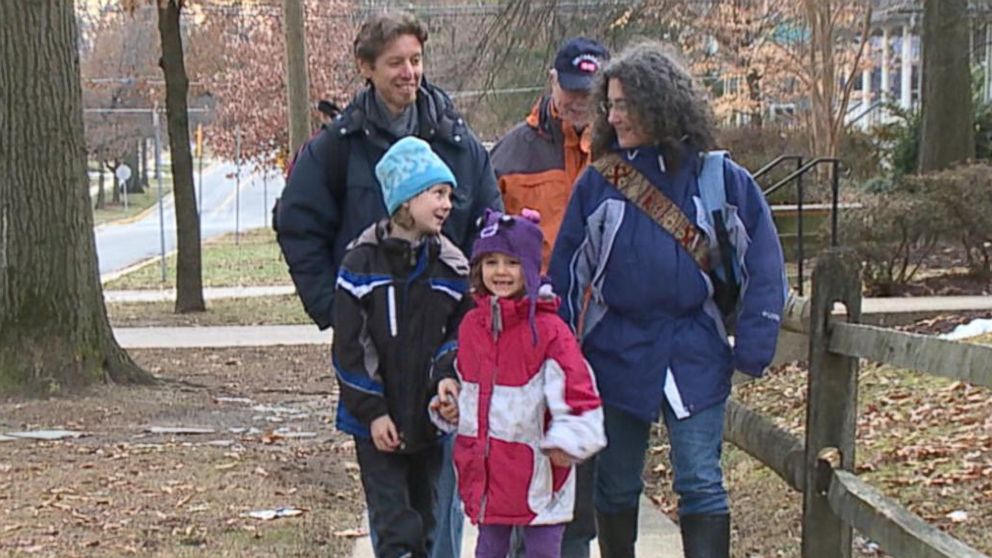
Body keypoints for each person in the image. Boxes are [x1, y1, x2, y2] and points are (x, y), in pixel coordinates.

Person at [276, 12, 503, 558]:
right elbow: (296, 221)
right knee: (390, 504)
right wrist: (333, 306)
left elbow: (490, 222)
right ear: (367, 68)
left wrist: (475, 308)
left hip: (443, 344)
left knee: (439, 495)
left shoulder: (456, 139)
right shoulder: (340, 145)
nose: (410, 73)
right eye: (396, 62)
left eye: (416, 61)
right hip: (375, 350)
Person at [549, 42, 787, 558]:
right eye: (610, 104)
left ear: (661, 103)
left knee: (701, 480)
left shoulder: (720, 179)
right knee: (614, 485)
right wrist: (559, 354)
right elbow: (567, 272)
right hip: (616, 350)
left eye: (627, 104)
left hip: (693, 347)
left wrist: (755, 340)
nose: (615, 115)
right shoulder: (601, 183)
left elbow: (764, 263)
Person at [431, 209, 606, 558]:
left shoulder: (550, 332)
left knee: (542, 551)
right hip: (489, 470)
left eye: (511, 263)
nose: (500, 272)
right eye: (491, 261)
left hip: (539, 473)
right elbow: (470, 388)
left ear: (529, 267)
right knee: (489, 548)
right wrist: (452, 406)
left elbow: (579, 394)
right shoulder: (471, 327)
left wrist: (568, 441)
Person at [334, 136, 471, 558]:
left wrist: (448, 380)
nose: (447, 204)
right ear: (406, 200)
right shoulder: (361, 263)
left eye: (449, 194)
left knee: (428, 526)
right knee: (396, 530)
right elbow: (350, 348)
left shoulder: (452, 266)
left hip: (427, 422)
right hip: (376, 425)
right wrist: (373, 413)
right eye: (437, 193)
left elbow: (458, 335)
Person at [490, 37, 609, 269]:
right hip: (532, 300)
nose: (581, 101)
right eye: (572, 90)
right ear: (552, 80)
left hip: (602, 301)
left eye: (591, 92)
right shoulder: (509, 154)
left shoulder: (622, 151)